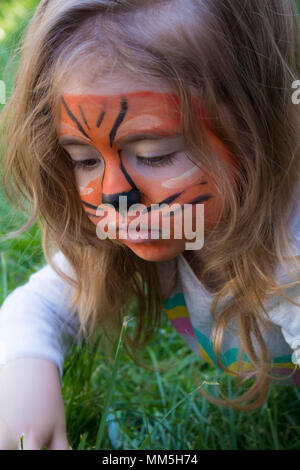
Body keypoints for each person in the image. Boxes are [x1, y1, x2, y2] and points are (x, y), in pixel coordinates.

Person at [0, 0, 299, 450]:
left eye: (154, 154)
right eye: (83, 159)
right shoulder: (167, 225)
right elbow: (36, 305)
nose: (115, 194)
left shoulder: (289, 256)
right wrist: (26, 366)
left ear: (256, 128)